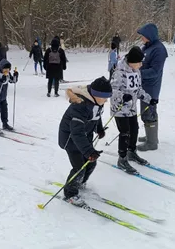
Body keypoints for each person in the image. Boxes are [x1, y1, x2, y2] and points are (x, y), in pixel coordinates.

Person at [58, 77, 112, 206]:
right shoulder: (80, 106)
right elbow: (76, 132)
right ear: (96, 95)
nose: (106, 100)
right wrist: (89, 151)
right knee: (79, 168)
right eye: (105, 97)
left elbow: (96, 116)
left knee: (91, 164)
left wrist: (99, 129)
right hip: (71, 140)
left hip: (84, 137)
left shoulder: (97, 102)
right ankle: (70, 194)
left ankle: (79, 183)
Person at [110, 46, 157, 174]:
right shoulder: (119, 71)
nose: (141, 65)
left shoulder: (136, 71)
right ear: (132, 61)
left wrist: (149, 99)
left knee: (134, 130)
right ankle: (122, 158)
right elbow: (112, 90)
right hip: (119, 108)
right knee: (125, 132)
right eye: (139, 62)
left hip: (131, 108)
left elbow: (138, 89)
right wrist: (122, 96)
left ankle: (131, 152)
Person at [136, 23, 168, 151]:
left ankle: (152, 143)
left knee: (148, 112)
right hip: (144, 85)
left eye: (143, 36)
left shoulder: (159, 50)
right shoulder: (147, 47)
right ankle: (151, 136)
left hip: (151, 87)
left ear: (150, 36)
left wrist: (138, 73)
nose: (141, 38)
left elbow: (155, 71)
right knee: (147, 111)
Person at [0, 59, 18, 135]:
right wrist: (1, 80)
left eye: (8, 69)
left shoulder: (8, 74)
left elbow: (13, 81)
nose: (6, 70)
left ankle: (5, 124)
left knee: (4, 110)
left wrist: (16, 76)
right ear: (1, 68)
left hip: (3, 96)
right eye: (5, 69)